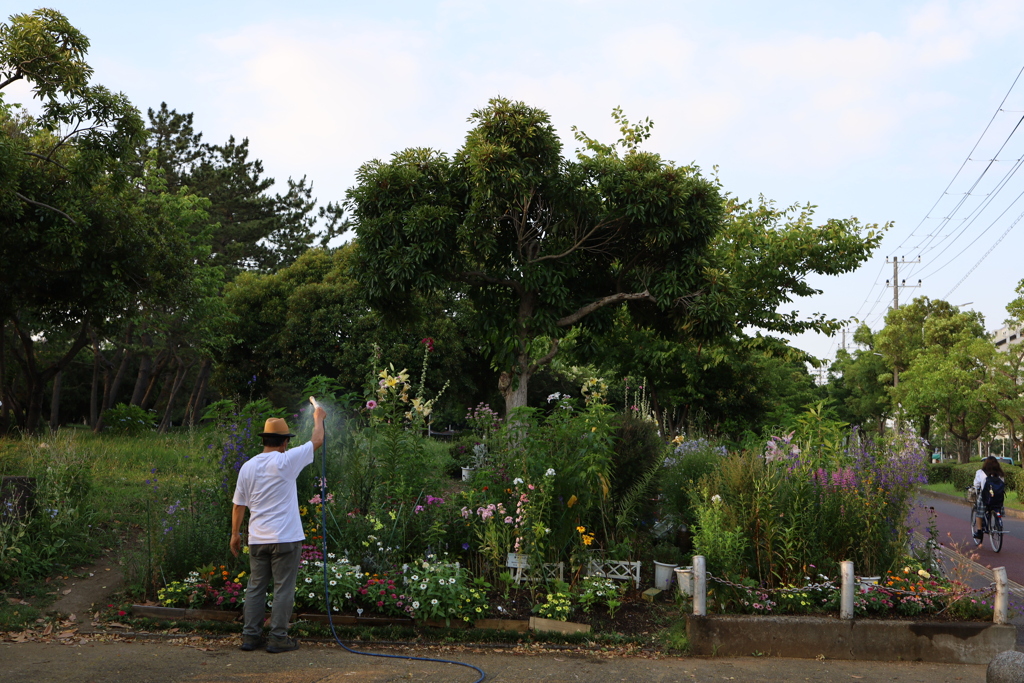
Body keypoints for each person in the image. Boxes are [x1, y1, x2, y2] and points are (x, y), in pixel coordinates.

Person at [231, 407, 325, 653]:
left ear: (264, 440)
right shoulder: (286, 460)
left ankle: (250, 637)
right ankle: (278, 638)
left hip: (257, 538)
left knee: (255, 587)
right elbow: (317, 440)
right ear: (285, 442)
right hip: (285, 538)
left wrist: (235, 534)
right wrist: (318, 418)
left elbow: (238, 505)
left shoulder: (248, 467)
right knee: (283, 588)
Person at [972, 456, 1006, 544]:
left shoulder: (981, 472)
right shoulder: (1000, 474)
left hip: (985, 497)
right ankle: (998, 523)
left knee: (979, 513)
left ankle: (979, 531)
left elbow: (976, 484)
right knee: (997, 507)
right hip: (998, 498)